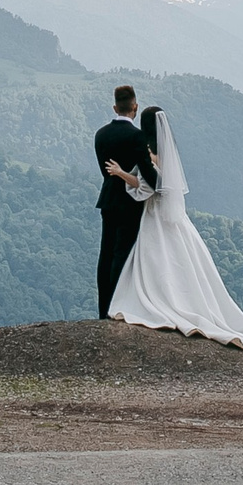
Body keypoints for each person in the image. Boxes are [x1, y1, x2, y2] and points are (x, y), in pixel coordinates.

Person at [103, 100, 243, 359]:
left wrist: (120, 173)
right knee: (179, 260)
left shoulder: (150, 154)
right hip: (168, 216)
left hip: (154, 215)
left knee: (155, 257)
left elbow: (150, 186)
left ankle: (163, 302)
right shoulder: (167, 151)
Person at [93, 84, 158, 320]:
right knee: (122, 255)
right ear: (135, 107)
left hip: (108, 201)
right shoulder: (137, 137)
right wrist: (163, 188)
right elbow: (148, 175)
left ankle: (103, 309)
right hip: (130, 203)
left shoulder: (100, 134)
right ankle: (117, 307)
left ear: (114, 107)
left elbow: (105, 171)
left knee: (106, 254)